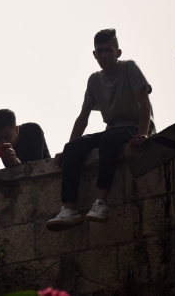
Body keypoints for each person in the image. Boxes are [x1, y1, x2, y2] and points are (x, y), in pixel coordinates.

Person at [47, 29, 154, 231]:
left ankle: (102, 202)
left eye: (108, 50)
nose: (104, 55)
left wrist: (143, 133)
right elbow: (83, 118)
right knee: (73, 148)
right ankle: (69, 208)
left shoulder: (129, 68)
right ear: (94, 54)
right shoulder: (94, 80)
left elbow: (144, 103)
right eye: (100, 51)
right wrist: (67, 147)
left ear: (118, 52)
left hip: (133, 126)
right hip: (113, 129)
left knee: (109, 140)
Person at [0, 109, 51, 173]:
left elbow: (36, 167)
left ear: (16, 130)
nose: (2, 142)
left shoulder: (33, 131)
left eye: (7, 137)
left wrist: (16, 162)